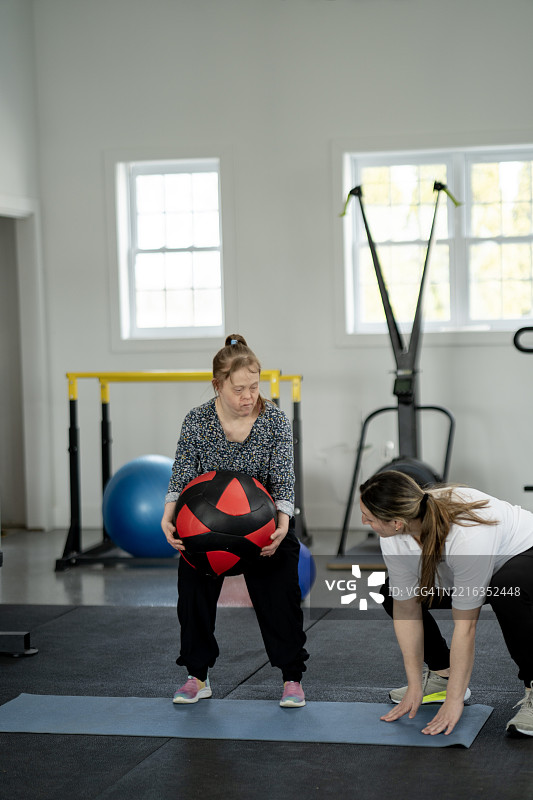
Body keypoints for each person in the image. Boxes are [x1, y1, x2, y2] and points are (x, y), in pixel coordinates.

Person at [161, 334, 308, 708]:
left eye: (254, 387)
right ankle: (197, 675)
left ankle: (292, 678)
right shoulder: (197, 421)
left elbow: (284, 478)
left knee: (282, 600)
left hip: (263, 529)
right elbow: (181, 474)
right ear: (217, 385)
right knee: (191, 596)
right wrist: (168, 517)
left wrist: (284, 524)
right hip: (206, 528)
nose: (248, 396)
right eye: (238, 388)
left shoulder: (273, 419)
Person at [359, 469, 533, 738]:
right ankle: (443, 676)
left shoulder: (467, 535)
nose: (363, 521)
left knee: (506, 590)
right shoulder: (396, 538)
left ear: (396, 521)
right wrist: (414, 685)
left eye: (369, 518)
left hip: (521, 553)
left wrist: (454, 703)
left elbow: (465, 626)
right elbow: (407, 609)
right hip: (466, 566)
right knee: (392, 592)